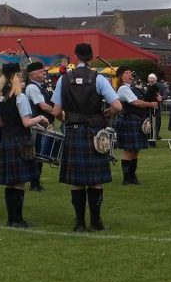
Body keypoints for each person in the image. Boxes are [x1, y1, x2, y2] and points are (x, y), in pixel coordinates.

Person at [51, 42, 122, 232]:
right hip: (94, 132)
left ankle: (80, 223)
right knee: (95, 179)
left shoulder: (63, 79)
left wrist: (64, 117)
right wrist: (106, 113)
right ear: (91, 57)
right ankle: (96, 222)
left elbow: (56, 110)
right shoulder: (98, 79)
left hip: (73, 131)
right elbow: (118, 106)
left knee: (76, 181)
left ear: (75, 56)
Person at [0, 62, 49, 227]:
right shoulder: (20, 96)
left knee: (10, 182)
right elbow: (26, 122)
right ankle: (17, 219)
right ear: (16, 76)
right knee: (18, 183)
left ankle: (11, 219)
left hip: (7, 140)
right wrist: (40, 118)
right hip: (20, 140)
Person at [115, 68, 156, 184]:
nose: (129, 75)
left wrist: (154, 97)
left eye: (129, 73)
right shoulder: (123, 88)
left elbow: (143, 97)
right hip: (129, 120)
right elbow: (135, 102)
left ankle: (133, 177)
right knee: (129, 150)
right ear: (121, 77)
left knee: (135, 150)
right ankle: (127, 179)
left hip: (138, 121)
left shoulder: (133, 88)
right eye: (126, 73)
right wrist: (150, 104)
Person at [24, 61, 54, 191]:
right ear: (33, 74)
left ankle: (36, 182)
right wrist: (58, 112)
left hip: (41, 124)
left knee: (39, 154)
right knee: (37, 154)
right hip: (36, 124)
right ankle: (34, 183)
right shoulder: (32, 87)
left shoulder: (40, 86)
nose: (44, 74)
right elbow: (43, 106)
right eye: (41, 72)